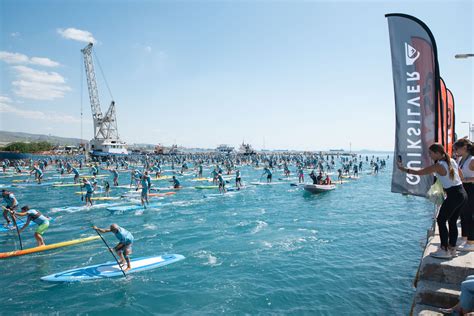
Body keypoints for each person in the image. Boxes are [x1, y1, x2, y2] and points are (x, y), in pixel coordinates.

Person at [398, 143, 468, 259]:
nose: (429, 156)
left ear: (437, 153)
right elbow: (460, 175)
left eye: (430, 153)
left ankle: (444, 249)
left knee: (441, 220)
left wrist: (402, 169)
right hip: (462, 193)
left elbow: (419, 172)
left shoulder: (438, 165)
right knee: (452, 221)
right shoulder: (451, 160)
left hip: (454, 195)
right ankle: (452, 249)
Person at [454, 138, 474, 252]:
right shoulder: (461, 159)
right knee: (463, 214)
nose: (455, 151)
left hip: (471, 188)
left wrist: (465, 179)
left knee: (470, 215)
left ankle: (471, 242)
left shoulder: (472, 160)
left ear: (464, 148)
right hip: (464, 188)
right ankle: (465, 237)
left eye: (457, 148)